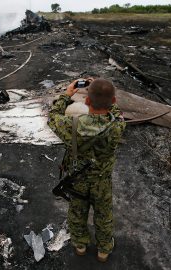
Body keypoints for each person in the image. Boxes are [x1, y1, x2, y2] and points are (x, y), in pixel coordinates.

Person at [47, 78, 126, 262]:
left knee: (77, 212)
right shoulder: (117, 126)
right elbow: (116, 112)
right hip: (102, 181)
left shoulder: (70, 125)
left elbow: (53, 116)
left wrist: (67, 95)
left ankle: (80, 245)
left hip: (77, 180)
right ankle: (104, 250)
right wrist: (105, 94)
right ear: (113, 101)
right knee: (103, 215)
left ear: (87, 101)